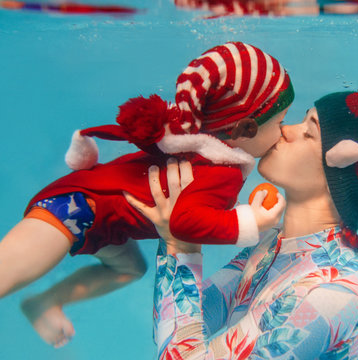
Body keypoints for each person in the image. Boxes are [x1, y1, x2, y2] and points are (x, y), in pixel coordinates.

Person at [126, 53, 358, 359]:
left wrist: (180, 245)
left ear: (340, 171)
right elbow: (191, 322)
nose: (283, 131)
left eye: (308, 132)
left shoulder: (331, 291)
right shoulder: (271, 244)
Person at [0, 42, 292, 348]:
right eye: (280, 122)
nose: (284, 131)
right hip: (77, 207)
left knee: (129, 270)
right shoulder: (223, 171)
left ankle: (45, 302)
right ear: (244, 129)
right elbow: (183, 223)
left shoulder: (198, 142)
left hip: (103, 221)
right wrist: (251, 222)